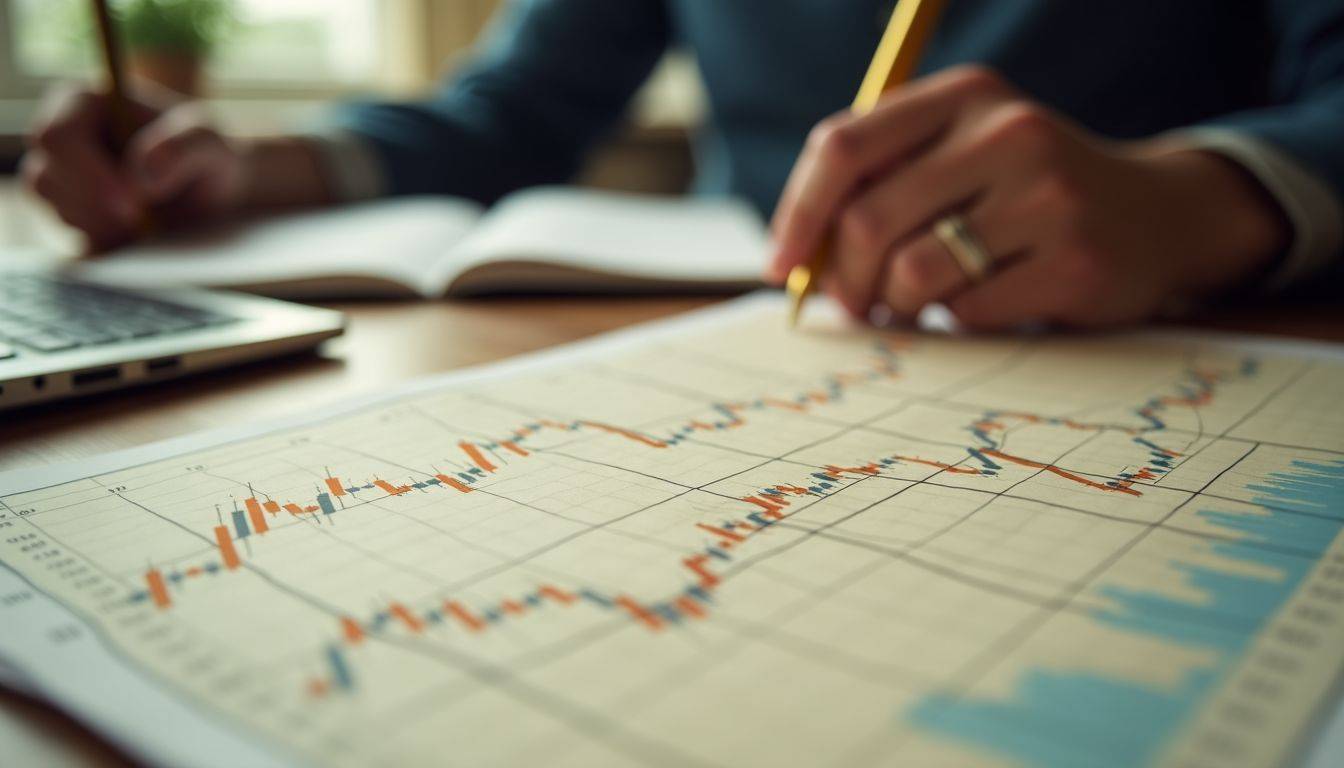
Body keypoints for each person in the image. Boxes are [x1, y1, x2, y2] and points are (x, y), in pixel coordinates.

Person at [22, 1, 1344, 329]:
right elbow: (509, 111)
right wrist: (246, 168)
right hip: (792, 323)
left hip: (1201, 343)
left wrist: (1204, 197)